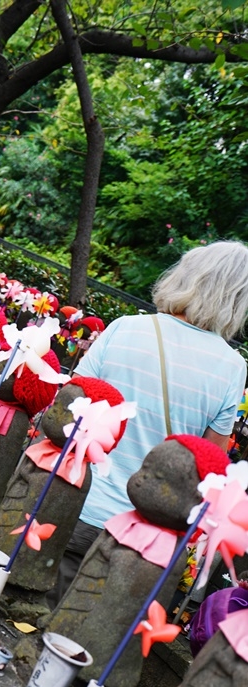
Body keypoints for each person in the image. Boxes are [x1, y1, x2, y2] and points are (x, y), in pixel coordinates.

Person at [49, 240, 248, 605]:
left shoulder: (124, 329)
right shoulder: (232, 368)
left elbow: (68, 410)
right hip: (141, 540)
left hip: (70, 504)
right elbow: (207, 467)